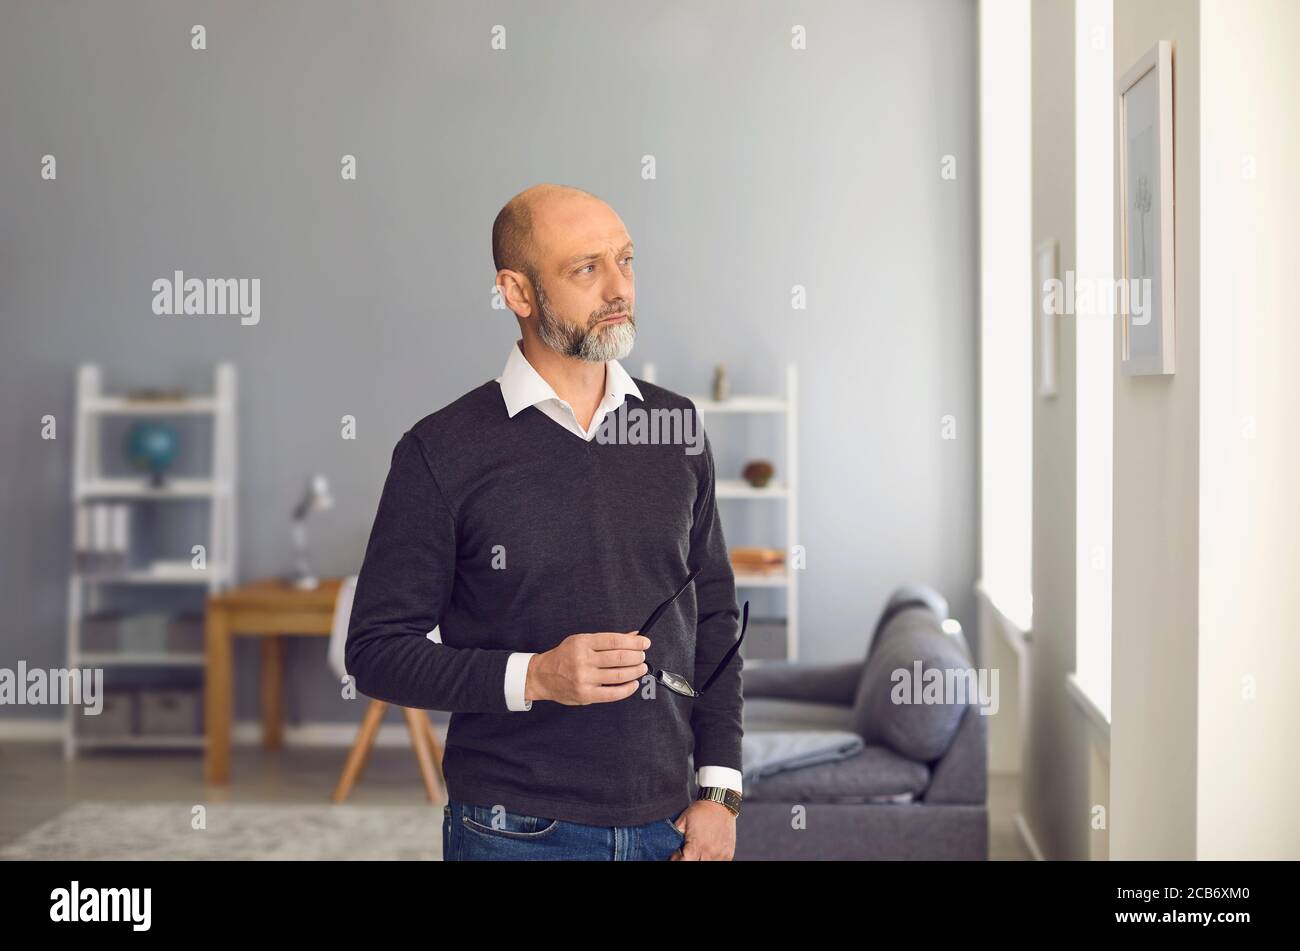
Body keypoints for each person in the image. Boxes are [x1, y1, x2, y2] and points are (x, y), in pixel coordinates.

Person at [346, 184, 744, 860]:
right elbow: (376, 651)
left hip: (671, 824)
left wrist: (721, 789)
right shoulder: (439, 451)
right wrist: (535, 676)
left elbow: (714, 616)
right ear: (518, 292)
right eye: (586, 269)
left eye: (626, 260)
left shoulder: (676, 428)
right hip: (512, 829)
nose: (619, 287)